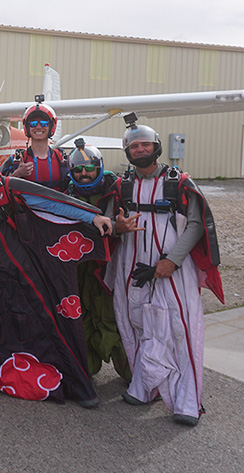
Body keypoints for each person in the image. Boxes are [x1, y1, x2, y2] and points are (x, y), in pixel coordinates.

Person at [0, 133, 112, 407]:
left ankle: (74, 380)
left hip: (23, 264)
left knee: (45, 315)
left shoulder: (5, 186)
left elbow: (51, 202)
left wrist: (91, 215)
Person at [105, 120, 223, 426]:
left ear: (156, 146)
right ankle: (145, 386)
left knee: (179, 330)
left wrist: (172, 261)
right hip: (131, 268)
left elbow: (196, 225)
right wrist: (118, 227)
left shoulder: (179, 182)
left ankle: (187, 401)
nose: (140, 149)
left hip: (174, 271)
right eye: (134, 146)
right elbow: (108, 223)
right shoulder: (121, 186)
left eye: (145, 144)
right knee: (135, 324)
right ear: (127, 151)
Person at [64, 139, 131, 382]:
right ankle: (85, 369)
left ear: (99, 167)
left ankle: (135, 376)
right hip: (80, 267)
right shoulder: (66, 194)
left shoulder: (119, 190)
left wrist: (118, 228)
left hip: (109, 266)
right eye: (78, 170)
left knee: (113, 318)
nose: (83, 174)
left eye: (89, 168)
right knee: (82, 314)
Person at [0, 100, 68, 190]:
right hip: (23, 204)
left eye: (44, 123)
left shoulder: (62, 159)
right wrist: (17, 174)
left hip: (58, 204)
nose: (38, 127)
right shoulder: (15, 160)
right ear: (27, 127)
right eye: (33, 124)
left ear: (51, 126)